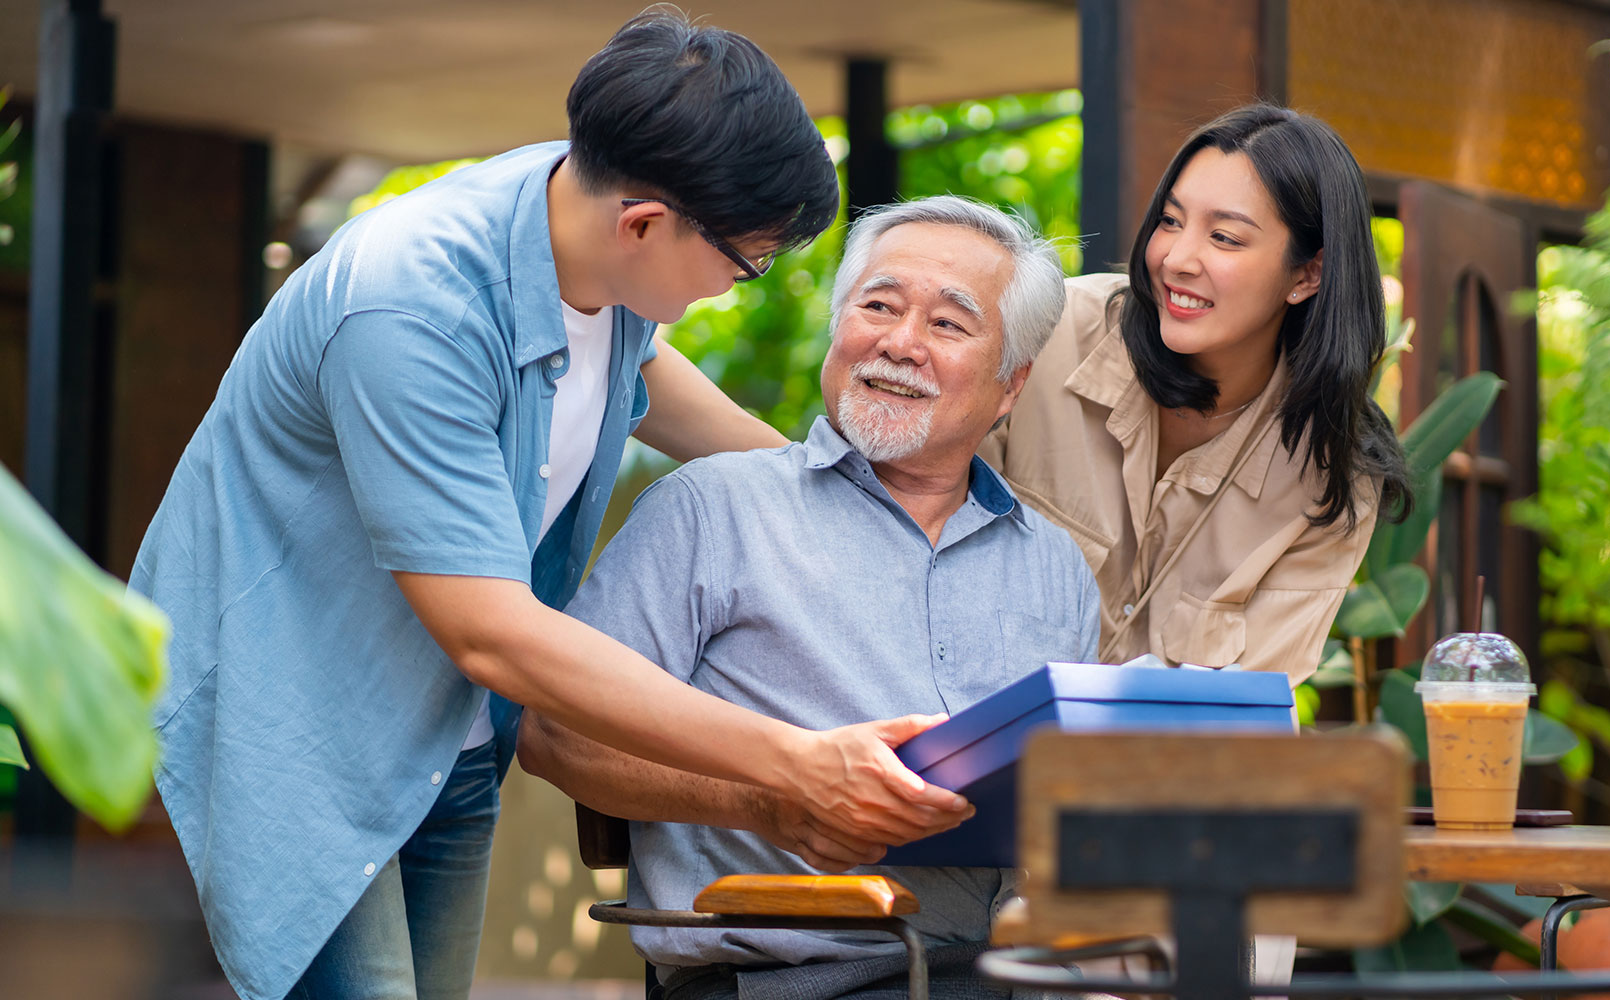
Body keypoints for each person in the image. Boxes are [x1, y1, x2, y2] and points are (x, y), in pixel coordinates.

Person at [130, 12, 968, 1000]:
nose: (736, 286)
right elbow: (491, 634)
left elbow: (639, 369)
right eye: (743, 262)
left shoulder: (576, 208)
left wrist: (830, 495)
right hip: (302, 715)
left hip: (445, 727)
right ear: (643, 225)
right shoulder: (411, 309)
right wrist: (796, 762)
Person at [516, 196, 1094, 1000]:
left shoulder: (1055, 566)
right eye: (878, 306)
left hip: (1007, 974)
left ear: (1010, 386)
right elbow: (554, 734)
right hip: (789, 977)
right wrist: (770, 802)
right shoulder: (713, 508)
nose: (901, 343)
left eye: (948, 324)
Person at [979, 103, 1413, 687]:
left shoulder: (1333, 476)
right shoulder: (1045, 333)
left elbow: (1241, 704)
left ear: (1307, 275)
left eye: (1225, 237)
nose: (1177, 259)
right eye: (1170, 220)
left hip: (1169, 748)